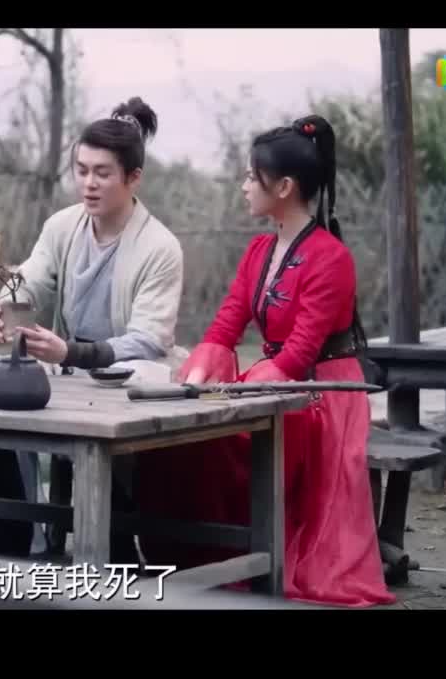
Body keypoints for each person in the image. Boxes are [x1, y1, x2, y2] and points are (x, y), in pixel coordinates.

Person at [135, 115, 395, 608]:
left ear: (284, 187)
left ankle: (243, 555)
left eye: (252, 177)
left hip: (321, 394)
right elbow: (226, 325)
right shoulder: (259, 250)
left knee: (226, 437)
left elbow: (300, 352)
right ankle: (191, 555)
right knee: (181, 438)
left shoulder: (331, 257)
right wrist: (192, 388)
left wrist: (234, 395)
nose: (244, 186)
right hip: (276, 383)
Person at [0, 97, 186, 561]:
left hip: (128, 382)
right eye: (82, 170)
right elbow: (30, 278)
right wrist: (6, 304)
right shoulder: (63, 226)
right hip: (67, 370)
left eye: (102, 173)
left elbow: (148, 339)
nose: (89, 183)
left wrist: (71, 353)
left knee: (114, 504)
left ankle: (110, 551)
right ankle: (22, 531)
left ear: (133, 178)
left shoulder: (160, 247)